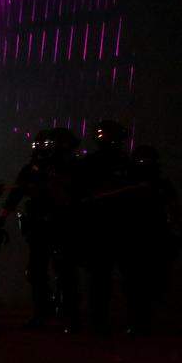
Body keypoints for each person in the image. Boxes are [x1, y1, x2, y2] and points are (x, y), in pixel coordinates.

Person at [0, 129, 80, 329]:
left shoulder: (72, 169)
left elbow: (78, 197)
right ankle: (42, 312)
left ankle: (68, 314)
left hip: (63, 225)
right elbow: (15, 195)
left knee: (65, 270)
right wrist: (1, 219)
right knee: (37, 271)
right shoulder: (32, 169)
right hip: (39, 226)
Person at [73, 120, 133, 336]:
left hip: (118, 227)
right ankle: (103, 322)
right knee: (103, 277)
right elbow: (78, 194)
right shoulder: (97, 163)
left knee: (111, 277)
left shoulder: (126, 163)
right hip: (103, 227)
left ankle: (113, 321)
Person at [124, 145, 182, 335]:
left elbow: (173, 209)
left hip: (154, 238)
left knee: (151, 281)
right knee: (136, 283)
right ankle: (139, 319)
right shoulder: (129, 183)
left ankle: (146, 318)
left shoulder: (160, 185)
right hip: (137, 238)